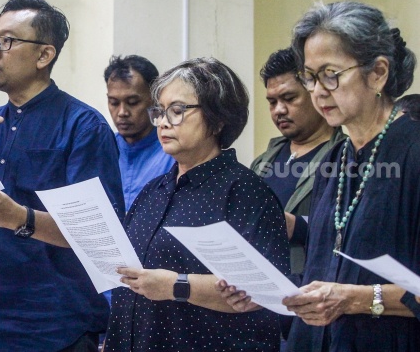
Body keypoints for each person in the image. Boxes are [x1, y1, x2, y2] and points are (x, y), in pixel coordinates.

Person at [0, 0, 124, 351]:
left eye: (7, 41)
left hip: (49, 330)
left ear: (45, 55)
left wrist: (18, 217)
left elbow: (95, 236)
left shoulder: (82, 127)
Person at [219, 0, 420, 352]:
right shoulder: (337, 160)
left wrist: (354, 299)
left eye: (331, 74)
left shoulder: (413, 152)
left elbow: (346, 291)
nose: (318, 91)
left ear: (378, 73)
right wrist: (265, 292)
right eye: (310, 78)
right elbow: (323, 274)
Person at [104, 57, 289, 351]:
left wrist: (177, 286)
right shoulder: (153, 191)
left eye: (177, 111)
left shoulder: (245, 192)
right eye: (160, 112)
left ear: (217, 119)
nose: (163, 122)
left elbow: (265, 291)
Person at [252, 47, 345, 275]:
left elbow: (356, 231)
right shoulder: (263, 161)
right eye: (272, 102)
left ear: (315, 93)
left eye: (289, 98)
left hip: (311, 286)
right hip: (258, 289)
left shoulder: (346, 158)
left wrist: (297, 226)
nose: (279, 110)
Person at [104, 55, 175, 211]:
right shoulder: (102, 152)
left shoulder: (173, 154)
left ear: (155, 100)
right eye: (114, 102)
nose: (122, 112)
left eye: (133, 102)